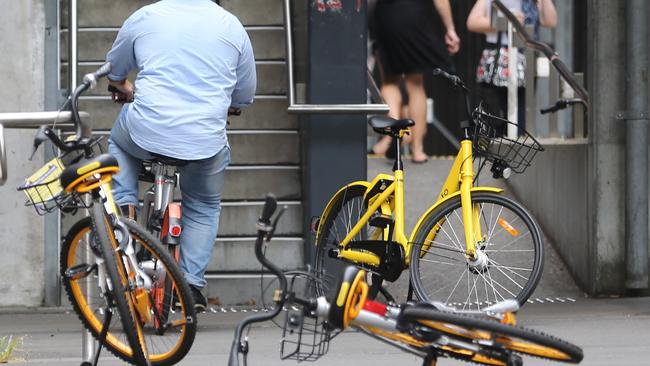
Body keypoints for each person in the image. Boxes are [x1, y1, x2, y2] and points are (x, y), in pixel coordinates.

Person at [105, 0, 256, 312]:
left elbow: (115, 71)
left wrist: (125, 87)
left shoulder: (145, 16)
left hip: (146, 131)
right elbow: (243, 94)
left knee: (119, 145)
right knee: (202, 205)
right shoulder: (232, 26)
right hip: (204, 142)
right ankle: (189, 286)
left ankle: (126, 219)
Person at [370, 0, 460, 163]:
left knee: (390, 82)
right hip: (413, 15)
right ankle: (417, 149)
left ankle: (393, 133)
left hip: (384, 16)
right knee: (416, 85)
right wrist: (450, 28)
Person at [467, 0, 556, 130]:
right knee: (510, 112)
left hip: (528, 59)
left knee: (523, 111)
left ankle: (515, 138)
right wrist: (506, 20)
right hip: (504, 59)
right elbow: (472, 22)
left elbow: (551, 21)